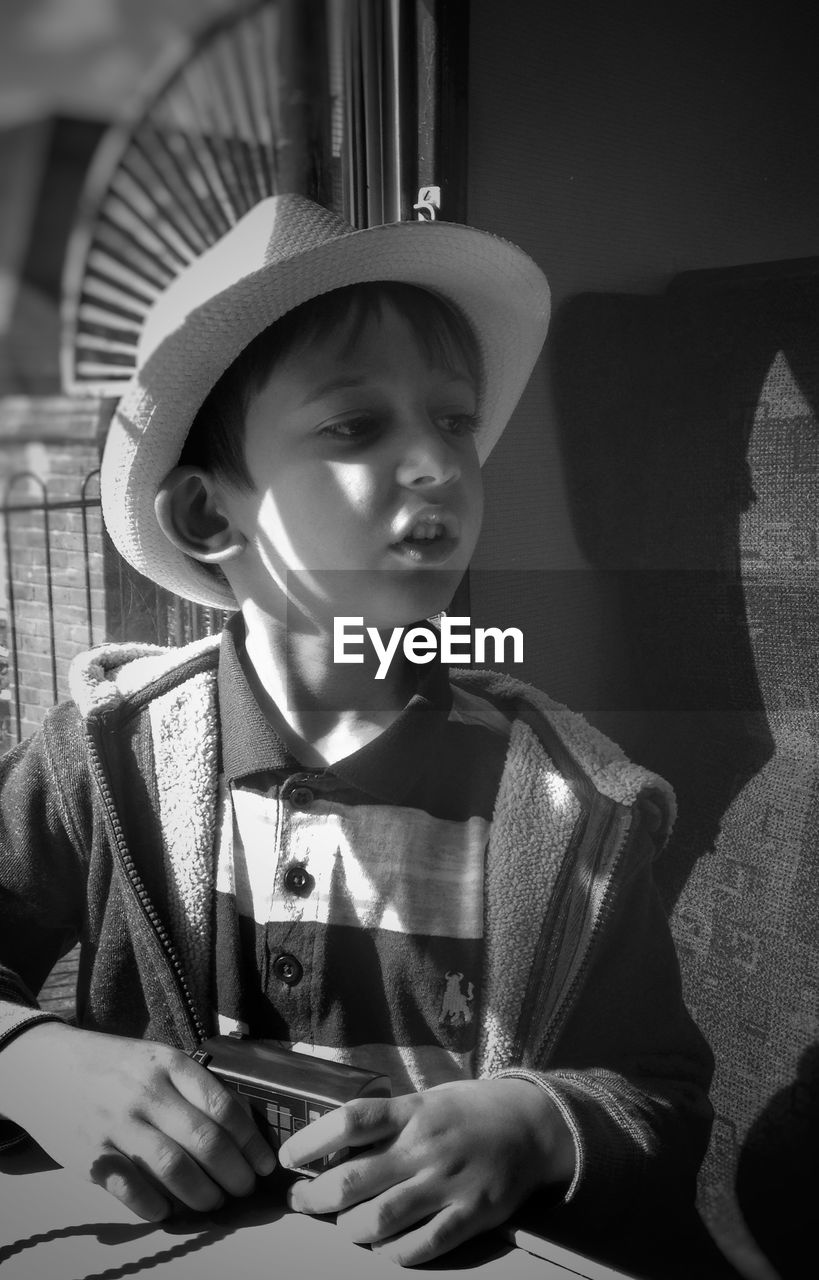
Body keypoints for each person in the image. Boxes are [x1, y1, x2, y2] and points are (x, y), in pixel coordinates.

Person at [0, 195, 713, 1267]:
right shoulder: (106, 758)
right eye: (355, 424)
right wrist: (35, 1060)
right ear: (207, 515)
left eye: (456, 419)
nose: (437, 463)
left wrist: (532, 1122)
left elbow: (660, 1087)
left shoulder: (572, 810)